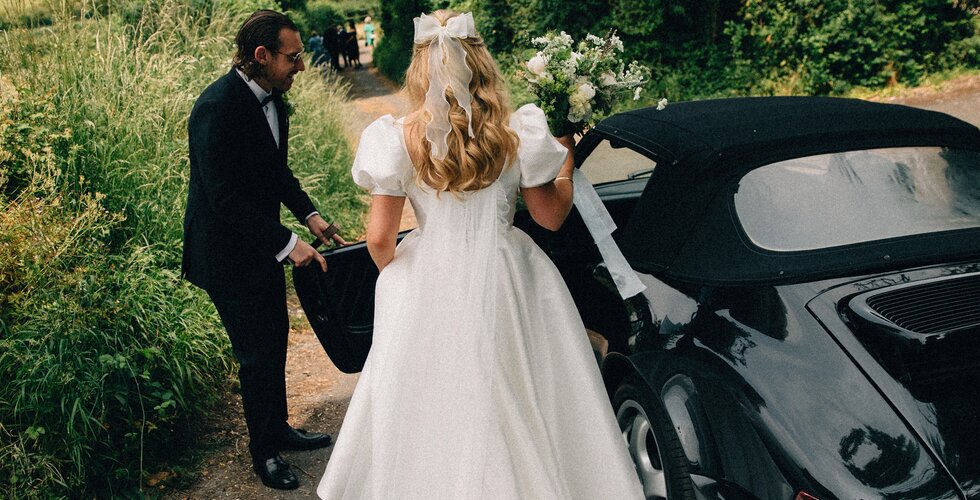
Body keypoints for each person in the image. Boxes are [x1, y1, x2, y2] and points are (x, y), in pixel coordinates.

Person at [316, 10, 645, 499]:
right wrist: (564, 159)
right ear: (480, 62)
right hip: (509, 273)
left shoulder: (398, 138)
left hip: (429, 275)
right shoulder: (517, 131)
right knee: (518, 393)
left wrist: (408, 280)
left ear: (420, 68)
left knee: (432, 405)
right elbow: (551, 216)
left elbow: (381, 238)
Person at [183, 9, 346, 491]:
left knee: (274, 341)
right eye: (293, 57)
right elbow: (221, 195)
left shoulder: (275, 98)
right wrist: (288, 243)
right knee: (257, 354)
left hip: (260, 247)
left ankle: (278, 429)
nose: (301, 65)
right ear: (262, 55)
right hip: (225, 254)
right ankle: (264, 453)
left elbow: (276, 174)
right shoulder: (216, 106)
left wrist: (309, 216)